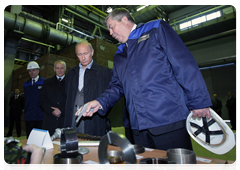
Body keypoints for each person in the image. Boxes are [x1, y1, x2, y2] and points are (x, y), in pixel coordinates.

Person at [77, 8, 212, 151]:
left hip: (168, 120)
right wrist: (99, 102)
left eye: (111, 27)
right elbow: (117, 86)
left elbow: (183, 63)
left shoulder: (155, 29)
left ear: (124, 19)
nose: (110, 33)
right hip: (138, 128)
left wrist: (198, 101)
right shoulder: (119, 54)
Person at [64, 41, 112, 136]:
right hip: (72, 118)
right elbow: (67, 94)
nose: (83, 58)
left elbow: (110, 96)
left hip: (94, 119)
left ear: (92, 52)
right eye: (79, 54)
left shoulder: (104, 72)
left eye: (86, 53)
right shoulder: (71, 73)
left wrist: (101, 112)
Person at [39, 60, 66, 136]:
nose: (59, 70)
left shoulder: (70, 83)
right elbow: (42, 99)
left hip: (64, 119)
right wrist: (51, 110)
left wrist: (61, 110)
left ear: (65, 68)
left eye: (61, 68)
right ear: (54, 69)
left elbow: (71, 99)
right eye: (57, 68)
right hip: (49, 119)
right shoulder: (47, 82)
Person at [24, 61, 45, 138]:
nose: (31, 72)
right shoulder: (26, 84)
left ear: (38, 71)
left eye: (33, 70)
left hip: (40, 116)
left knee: (39, 139)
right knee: (29, 139)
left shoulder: (44, 82)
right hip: (29, 117)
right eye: (29, 70)